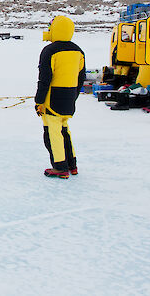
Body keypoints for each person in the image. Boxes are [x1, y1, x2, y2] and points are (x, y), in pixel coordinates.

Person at [35, 15, 86, 179]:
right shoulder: (78, 51)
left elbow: (45, 79)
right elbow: (81, 77)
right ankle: (72, 165)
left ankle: (60, 166)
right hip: (70, 96)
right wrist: (74, 96)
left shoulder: (49, 51)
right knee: (65, 130)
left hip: (53, 98)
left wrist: (39, 101)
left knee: (52, 132)